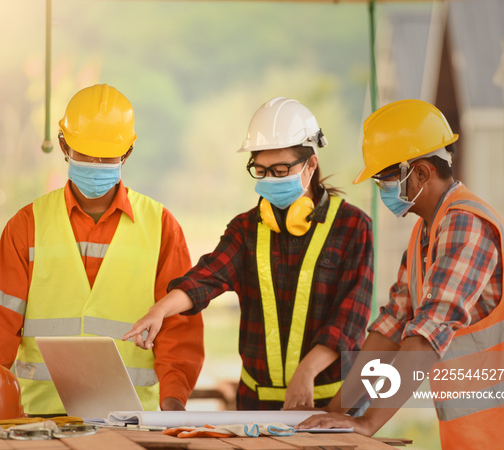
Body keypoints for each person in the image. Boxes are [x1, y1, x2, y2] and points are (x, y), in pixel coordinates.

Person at [298, 99, 504, 450]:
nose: (381, 189)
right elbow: (391, 328)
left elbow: (427, 333)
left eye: (385, 179)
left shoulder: (464, 224)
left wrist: (369, 421)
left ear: (421, 173)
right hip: (484, 435)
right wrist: (340, 411)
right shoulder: (428, 231)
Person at [0, 84, 204, 416]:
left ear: (128, 153)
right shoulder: (26, 226)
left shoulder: (162, 227)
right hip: (41, 422)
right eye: (85, 153)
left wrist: (173, 404)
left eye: (106, 157)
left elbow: (179, 329)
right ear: (64, 146)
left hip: (134, 422)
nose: (94, 163)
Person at [124, 97, 373, 411]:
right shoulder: (246, 229)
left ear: (311, 165)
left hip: (333, 403)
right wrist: (159, 310)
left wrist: (307, 371)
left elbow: (350, 319)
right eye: (261, 170)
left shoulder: (352, 227)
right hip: (256, 405)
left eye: (281, 170)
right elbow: (206, 277)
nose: (270, 179)